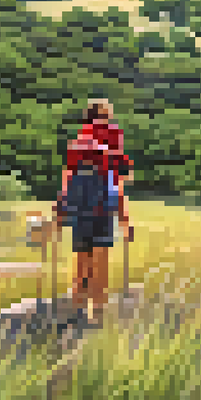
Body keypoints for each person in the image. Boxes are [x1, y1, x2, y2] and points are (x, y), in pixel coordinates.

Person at [59, 99, 131, 325]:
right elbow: (117, 184)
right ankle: (97, 313)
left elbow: (67, 179)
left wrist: (62, 210)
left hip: (79, 208)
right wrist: (124, 219)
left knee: (82, 259)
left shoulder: (77, 145)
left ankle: (78, 308)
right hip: (102, 207)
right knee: (100, 260)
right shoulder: (110, 146)